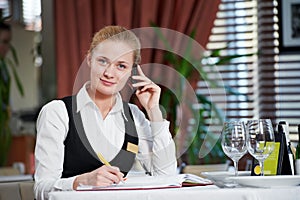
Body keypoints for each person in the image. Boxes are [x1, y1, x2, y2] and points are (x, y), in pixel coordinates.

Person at [34, 25, 177, 200]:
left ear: (131, 71)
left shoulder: (134, 116)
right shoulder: (57, 112)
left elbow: (167, 178)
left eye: (121, 66)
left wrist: (153, 111)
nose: (109, 73)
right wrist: (82, 181)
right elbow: (41, 189)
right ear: (89, 60)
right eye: (102, 61)